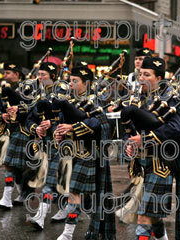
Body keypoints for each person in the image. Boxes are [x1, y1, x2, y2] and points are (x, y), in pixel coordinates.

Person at [124, 57, 180, 239]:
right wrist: (129, 144)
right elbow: (130, 127)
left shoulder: (170, 98)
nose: (141, 78)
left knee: (144, 216)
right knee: (152, 215)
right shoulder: (138, 98)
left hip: (162, 164)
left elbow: (177, 128)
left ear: (159, 78)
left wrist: (144, 140)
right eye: (140, 74)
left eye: (147, 75)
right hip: (142, 165)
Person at [55, 65, 116, 240]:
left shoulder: (95, 101)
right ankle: (95, 226)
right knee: (86, 200)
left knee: (74, 194)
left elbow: (100, 124)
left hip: (88, 155)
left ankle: (67, 234)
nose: (71, 84)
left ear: (86, 83)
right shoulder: (69, 101)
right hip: (69, 154)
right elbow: (59, 122)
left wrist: (73, 127)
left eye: (75, 81)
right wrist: (57, 133)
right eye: (70, 80)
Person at [24, 62, 70, 230]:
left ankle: (41, 217)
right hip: (45, 144)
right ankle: (65, 208)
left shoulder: (63, 90)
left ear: (52, 76)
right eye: (39, 74)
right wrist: (36, 128)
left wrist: (53, 123)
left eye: (43, 74)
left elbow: (70, 115)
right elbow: (30, 118)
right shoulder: (38, 94)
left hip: (63, 141)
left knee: (51, 180)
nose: (40, 77)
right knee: (56, 179)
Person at [0, 63, 33, 209]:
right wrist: (2, 115)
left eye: (8, 73)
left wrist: (18, 111)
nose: (5, 75)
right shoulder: (1, 90)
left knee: (10, 164)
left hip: (22, 130)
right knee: (14, 166)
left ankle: (7, 198)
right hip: (7, 131)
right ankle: (22, 193)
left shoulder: (27, 89)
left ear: (17, 74)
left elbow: (31, 109)